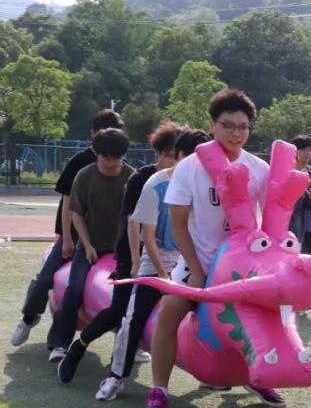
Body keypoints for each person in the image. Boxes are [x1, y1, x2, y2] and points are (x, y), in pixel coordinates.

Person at [142, 89, 273, 408]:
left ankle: (260, 378)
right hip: (197, 261)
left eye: (243, 127)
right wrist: (197, 269)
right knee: (169, 311)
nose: (235, 133)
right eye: (228, 125)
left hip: (242, 268)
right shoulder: (190, 167)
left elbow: (269, 223)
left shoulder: (259, 168)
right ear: (212, 125)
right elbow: (178, 224)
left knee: (265, 318)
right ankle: (159, 392)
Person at [87, 130, 211, 401]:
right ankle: (116, 376)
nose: (200, 165)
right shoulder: (156, 183)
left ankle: (245, 378)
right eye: (193, 157)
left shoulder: (211, 185)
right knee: (133, 316)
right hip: (158, 264)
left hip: (197, 264)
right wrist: (163, 276)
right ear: (180, 155)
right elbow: (147, 235)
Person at [57, 121, 185, 382]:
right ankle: (78, 347)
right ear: (157, 153)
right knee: (119, 309)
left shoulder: (186, 181)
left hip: (171, 257)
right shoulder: (140, 179)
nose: (173, 162)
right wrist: (135, 261)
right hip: (132, 254)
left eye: (178, 157)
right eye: (168, 155)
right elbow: (131, 223)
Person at [11, 109, 125, 350]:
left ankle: (124, 342)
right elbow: (67, 203)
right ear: (93, 135)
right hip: (73, 234)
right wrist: (66, 239)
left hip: (104, 239)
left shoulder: (121, 166)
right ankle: (29, 318)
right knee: (46, 278)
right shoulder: (80, 163)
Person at [47, 128, 135, 362]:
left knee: (129, 293)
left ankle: (130, 346)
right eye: (106, 157)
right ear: (96, 153)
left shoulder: (132, 177)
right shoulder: (84, 176)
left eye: (117, 158)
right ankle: (60, 344)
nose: (111, 163)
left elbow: (136, 219)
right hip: (90, 244)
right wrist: (86, 245)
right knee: (75, 288)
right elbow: (77, 213)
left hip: (121, 249)